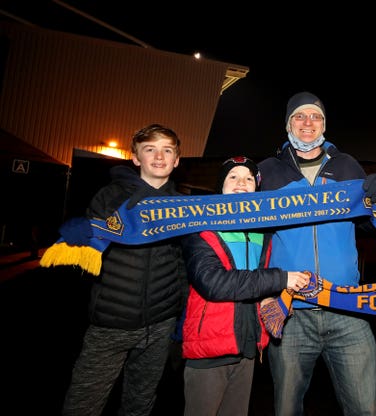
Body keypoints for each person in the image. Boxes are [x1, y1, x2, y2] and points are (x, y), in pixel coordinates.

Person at [257, 91, 376, 416]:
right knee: (286, 408)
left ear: (324, 124)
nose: (308, 123)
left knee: (365, 408)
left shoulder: (346, 165)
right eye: (299, 116)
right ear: (288, 124)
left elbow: (365, 224)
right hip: (291, 309)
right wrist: (261, 293)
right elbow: (247, 231)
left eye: (315, 116)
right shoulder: (266, 171)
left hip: (346, 305)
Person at [61, 123, 189, 416]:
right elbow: (86, 255)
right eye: (150, 149)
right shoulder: (110, 198)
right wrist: (76, 241)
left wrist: (178, 317)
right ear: (135, 158)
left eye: (167, 150)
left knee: (140, 404)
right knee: (83, 403)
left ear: (177, 160)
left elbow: (183, 264)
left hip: (160, 325)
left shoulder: (185, 206)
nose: (159, 157)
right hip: (110, 323)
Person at [179, 156, 311, 416]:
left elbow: (255, 281)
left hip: (248, 347)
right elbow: (213, 284)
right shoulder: (201, 228)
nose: (242, 183)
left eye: (249, 178)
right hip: (209, 349)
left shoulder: (262, 232)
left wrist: (269, 299)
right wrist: (281, 279)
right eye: (233, 177)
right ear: (221, 186)